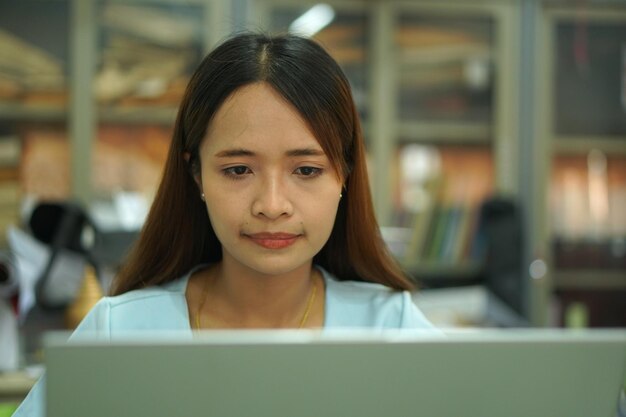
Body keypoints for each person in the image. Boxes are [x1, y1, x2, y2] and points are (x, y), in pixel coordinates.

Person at [13, 32, 434, 416]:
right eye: (237, 170)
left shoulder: (391, 328)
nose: (272, 205)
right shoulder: (117, 333)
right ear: (196, 175)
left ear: (344, 175)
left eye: (306, 170)